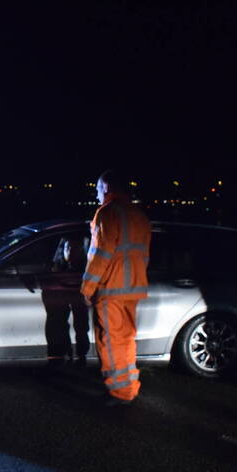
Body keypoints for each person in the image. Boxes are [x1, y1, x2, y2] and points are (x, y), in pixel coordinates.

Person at [80, 170, 152, 405]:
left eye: (98, 188)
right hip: (133, 288)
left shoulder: (107, 214)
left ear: (108, 188)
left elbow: (99, 255)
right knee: (126, 339)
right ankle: (129, 388)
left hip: (111, 288)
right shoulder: (138, 215)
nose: (97, 194)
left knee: (110, 342)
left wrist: (87, 288)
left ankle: (119, 392)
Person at [41, 234, 91, 367]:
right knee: (61, 323)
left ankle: (81, 356)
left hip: (79, 289)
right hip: (63, 288)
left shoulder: (87, 245)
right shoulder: (59, 246)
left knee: (81, 324)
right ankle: (67, 354)